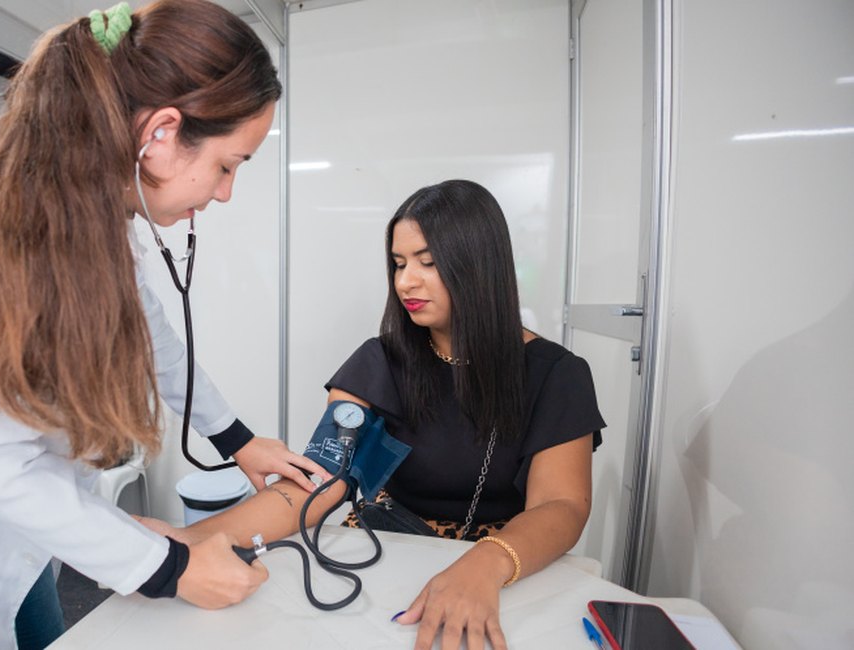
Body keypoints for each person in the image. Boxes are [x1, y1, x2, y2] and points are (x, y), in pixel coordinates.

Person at [0, 2, 328, 648]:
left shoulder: (87, 203)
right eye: (227, 164)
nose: (224, 194)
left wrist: (236, 439)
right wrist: (171, 568)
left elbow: (150, 334)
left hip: (13, 538)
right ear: (161, 133)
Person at [142, 180, 605, 650]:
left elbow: (562, 506)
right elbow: (319, 481)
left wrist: (487, 562)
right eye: (399, 263)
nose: (405, 281)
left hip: (505, 560)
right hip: (390, 545)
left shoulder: (556, 375)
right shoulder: (379, 362)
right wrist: (188, 541)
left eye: (427, 262)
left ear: (479, 265)